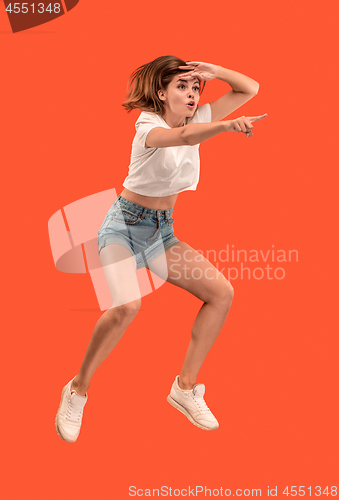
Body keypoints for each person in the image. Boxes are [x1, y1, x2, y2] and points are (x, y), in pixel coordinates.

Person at [55, 56, 267, 443]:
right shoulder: (147, 125)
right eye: (182, 87)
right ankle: (77, 390)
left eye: (194, 88)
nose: (191, 95)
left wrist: (214, 72)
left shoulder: (197, 116)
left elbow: (249, 89)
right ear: (161, 92)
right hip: (123, 227)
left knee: (221, 293)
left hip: (160, 233)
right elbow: (185, 139)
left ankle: (184, 389)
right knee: (126, 307)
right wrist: (223, 125)